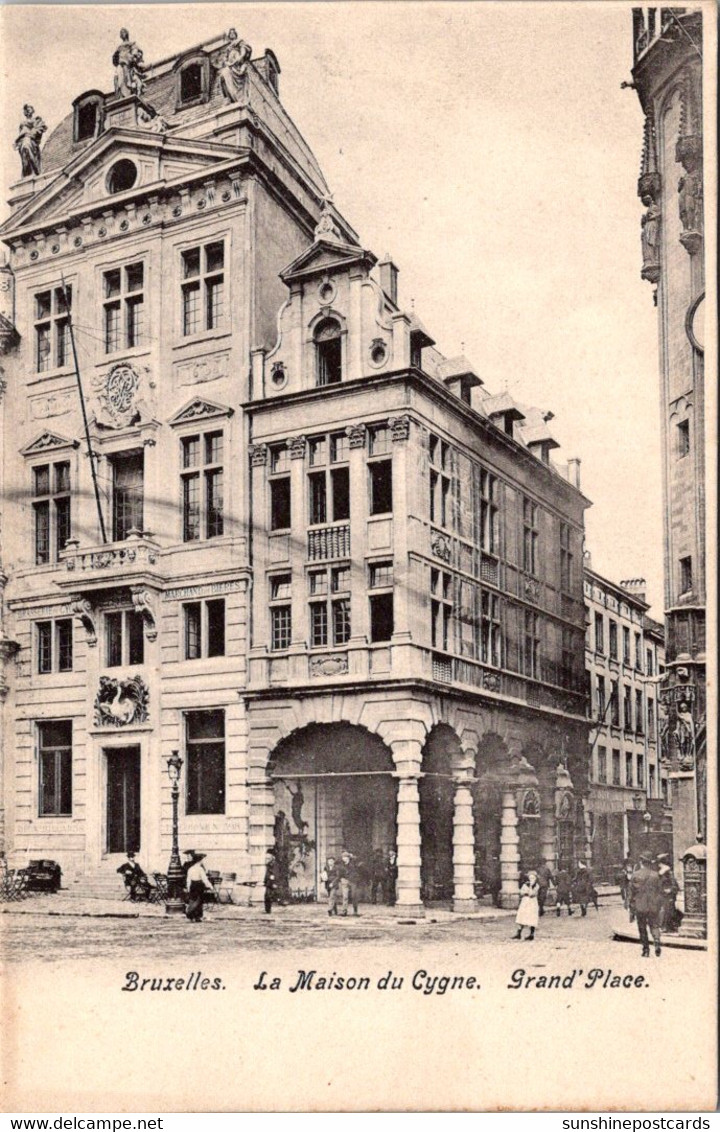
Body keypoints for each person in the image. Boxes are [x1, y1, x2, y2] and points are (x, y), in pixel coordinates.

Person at [629, 851, 664, 957]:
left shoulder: (635, 875)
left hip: (640, 906)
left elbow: (631, 894)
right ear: (650, 863)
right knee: (654, 925)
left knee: (642, 927)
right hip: (653, 905)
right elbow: (660, 892)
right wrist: (659, 905)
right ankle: (657, 941)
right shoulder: (656, 875)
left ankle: (646, 950)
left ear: (641, 862)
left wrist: (631, 909)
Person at [218, 28, 252, 103]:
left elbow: (243, 52)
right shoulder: (228, 47)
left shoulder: (240, 41)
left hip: (237, 64)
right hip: (230, 65)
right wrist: (227, 62)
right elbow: (225, 58)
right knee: (223, 75)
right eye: (230, 33)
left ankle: (239, 99)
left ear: (236, 34)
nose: (232, 34)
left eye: (233, 33)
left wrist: (238, 60)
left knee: (237, 80)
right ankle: (229, 97)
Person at [15, 105, 47, 179]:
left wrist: (31, 133)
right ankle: (28, 172)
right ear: (25, 113)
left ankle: (34, 169)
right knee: (24, 152)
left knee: (27, 146)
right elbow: (20, 133)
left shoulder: (36, 120)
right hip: (23, 140)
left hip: (31, 140)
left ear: (32, 111)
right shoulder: (22, 123)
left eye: (29, 109)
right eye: (26, 110)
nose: (28, 111)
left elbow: (40, 129)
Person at [657, 853, 682, 933]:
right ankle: (665, 926)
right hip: (662, 893)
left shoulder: (667, 871)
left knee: (667, 910)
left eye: (660, 862)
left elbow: (673, 883)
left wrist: (670, 890)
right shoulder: (662, 871)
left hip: (667, 894)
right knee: (665, 909)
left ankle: (666, 927)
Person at [185, 852, 214, 922]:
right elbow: (205, 879)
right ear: (199, 861)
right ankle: (196, 916)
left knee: (192, 900)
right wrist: (210, 886)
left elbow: (188, 879)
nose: (202, 861)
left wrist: (188, 887)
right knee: (199, 901)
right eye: (202, 860)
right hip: (199, 885)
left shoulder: (190, 869)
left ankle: (192, 916)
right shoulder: (200, 869)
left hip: (192, 885)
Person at [513, 870, 540, 940]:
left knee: (532, 917)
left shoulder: (536, 886)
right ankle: (518, 933)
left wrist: (530, 887)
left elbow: (532, 894)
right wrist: (526, 892)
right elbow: (521, 892)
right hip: (525, 902)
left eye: (533, 878)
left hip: (532, 902)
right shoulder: (525, 884)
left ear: (536, 878)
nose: (531, 879)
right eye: (530, 878)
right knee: (521, 916)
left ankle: (531, 934)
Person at [337, 850, 359, 916]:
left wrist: (351, 856)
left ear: (348, 858)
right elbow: (339, 872)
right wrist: (341, 879)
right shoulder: (341, 865)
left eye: (346, 857)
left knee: (354, 896)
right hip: (345, 881)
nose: (344, 858)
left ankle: (355, 911)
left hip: (353, 881)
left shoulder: (353, 863)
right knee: (345, 896)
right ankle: (344, 911)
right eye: (343, 857)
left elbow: (357, 859)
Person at [263, 849, 279, 915]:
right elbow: (267, 874)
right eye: (266, 858)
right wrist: (265, 881)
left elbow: (275, 874)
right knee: (267, 895)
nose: (266, 860)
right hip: (268, 883)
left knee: (268, 896)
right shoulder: (269, 864)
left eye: (268, 858)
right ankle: (267, 910)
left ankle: (268, 910)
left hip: (271, 883)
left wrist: (274, 882)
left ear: (272, 858)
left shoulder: (274, 865)